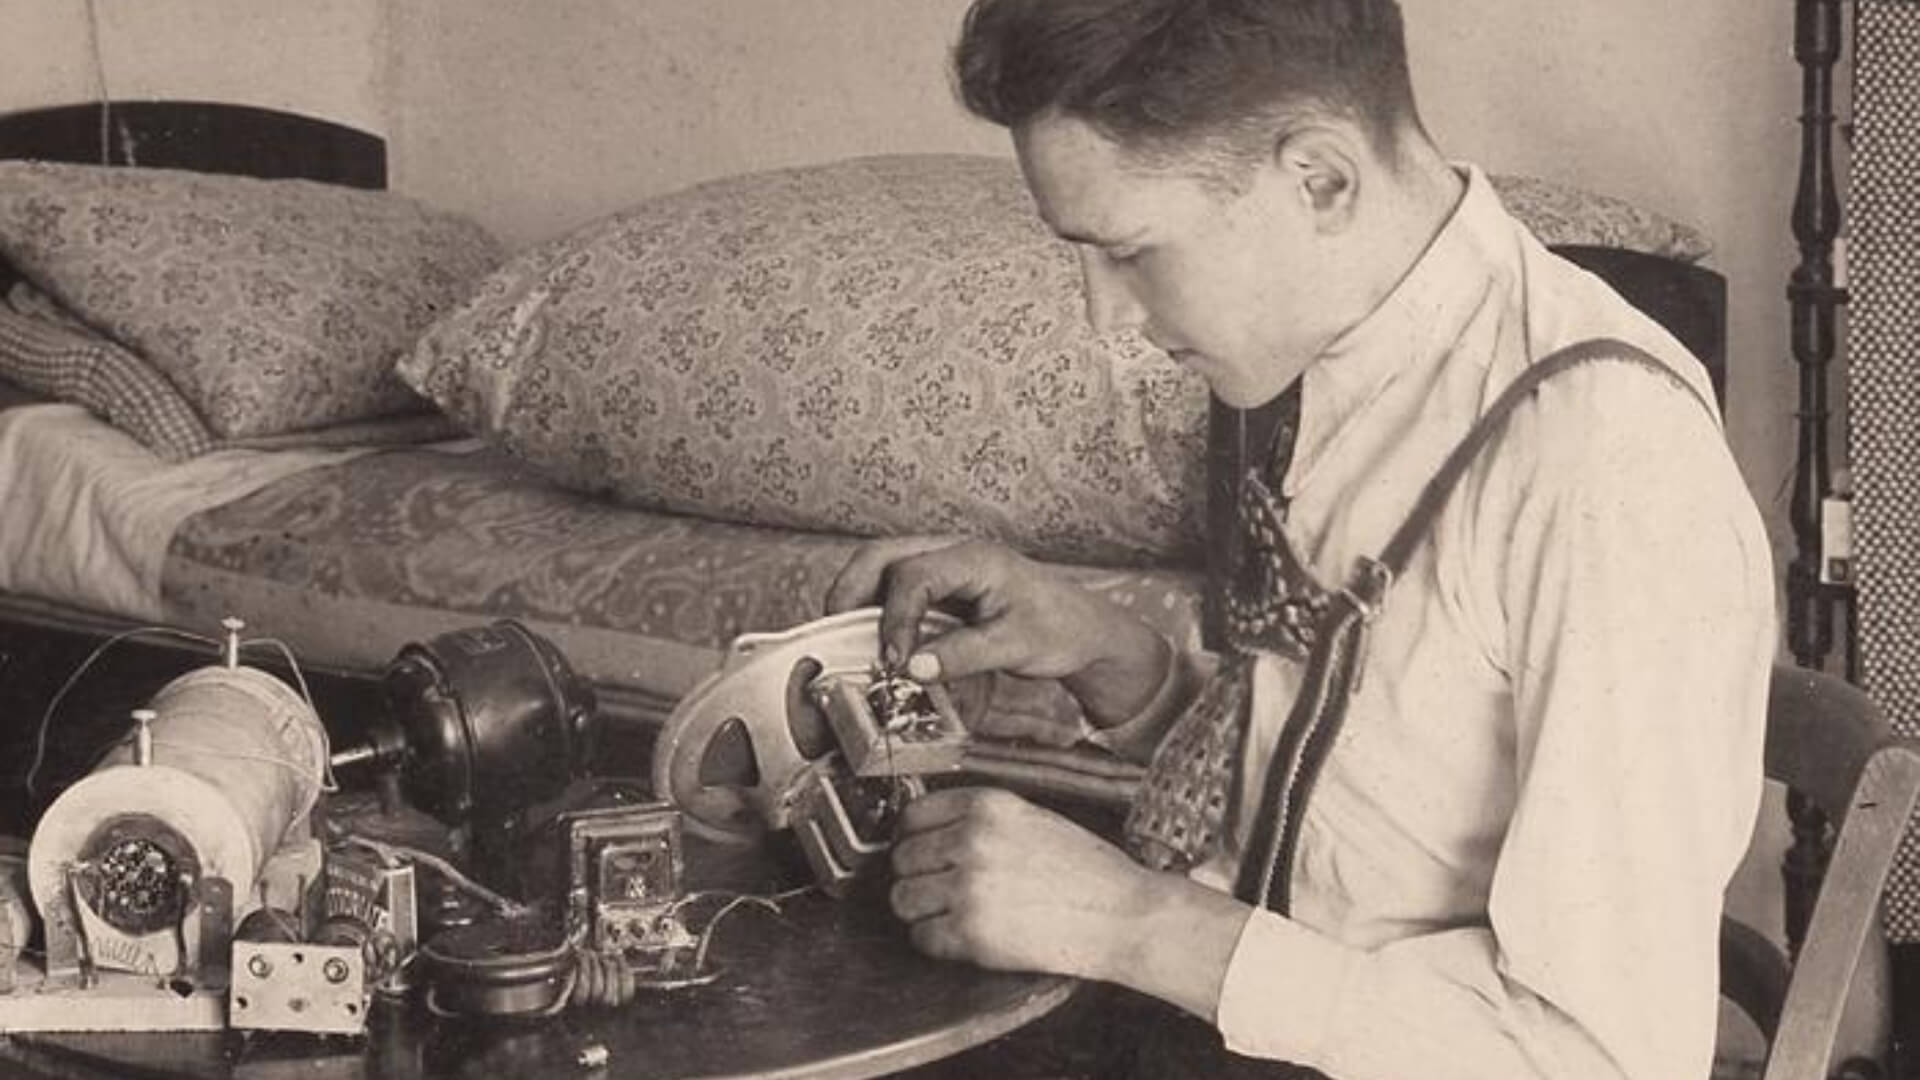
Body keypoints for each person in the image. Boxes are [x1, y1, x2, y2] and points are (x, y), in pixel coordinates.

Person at [825, 1, 1775, 1077]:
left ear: (1321, 179)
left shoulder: (1605, 457)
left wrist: (1133, 924)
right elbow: (1352, 813)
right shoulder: (1333, 348)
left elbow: (1608, 1063)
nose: (1107, 319)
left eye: (1131, 253)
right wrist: (1114, 659)